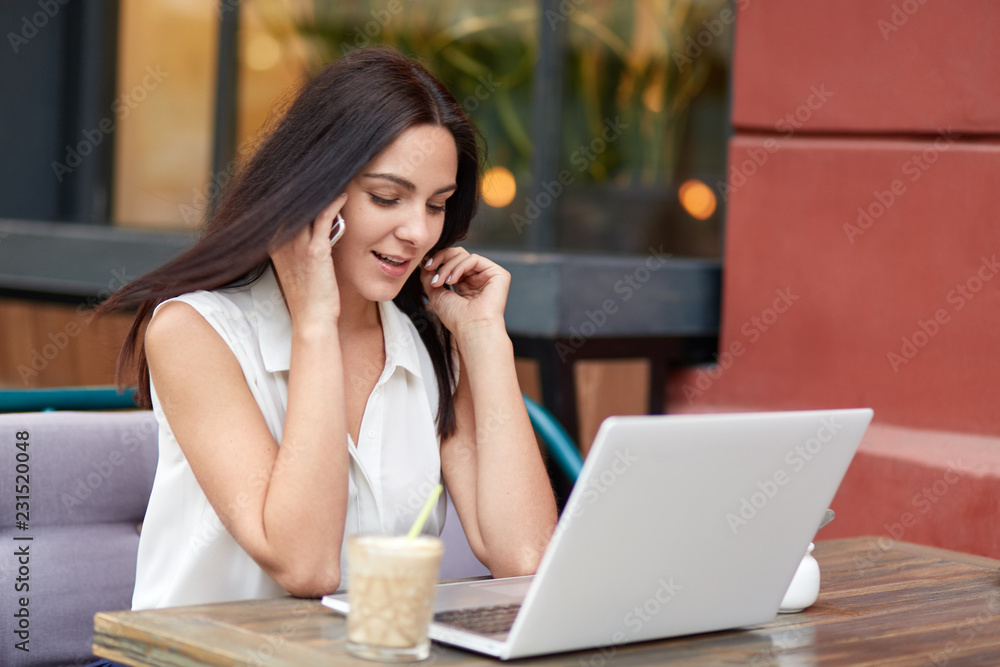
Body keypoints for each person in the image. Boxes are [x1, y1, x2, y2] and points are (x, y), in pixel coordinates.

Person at [100, 47, 558, 610]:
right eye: (387, 197)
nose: (417, 232)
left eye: (437, 205)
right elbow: (307, 565)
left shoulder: (429, 342)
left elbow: (526, 560)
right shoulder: (195, 331)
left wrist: (486, 338)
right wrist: (316, 321)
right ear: (316, 189)